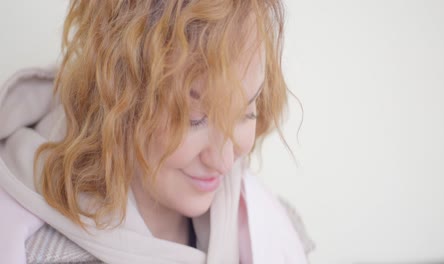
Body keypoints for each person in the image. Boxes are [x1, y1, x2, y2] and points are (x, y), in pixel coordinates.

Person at [0, 0, 314, 263]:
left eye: (246, 112)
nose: (224, 160)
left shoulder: (276, 233)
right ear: (118, 96)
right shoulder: (32, 250)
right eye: (193, 118)